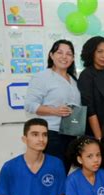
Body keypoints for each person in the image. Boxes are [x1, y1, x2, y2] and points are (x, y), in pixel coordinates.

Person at [25, 39, 81, 171]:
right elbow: (30, 105)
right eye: (59, 52)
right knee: (51, 175)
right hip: (52, 134)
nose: (64, 57)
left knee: (64, 173)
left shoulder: (73, 79)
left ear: (73, 58)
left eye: (68, 54)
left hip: (71, 134)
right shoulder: (42, 77)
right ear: (51, 55)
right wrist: (55, 111)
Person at [78, 36, 104, 139]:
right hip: (95, 130)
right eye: (100, 51)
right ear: (91, 52)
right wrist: (99, 139)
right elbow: (90, 110)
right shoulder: (86, 75)